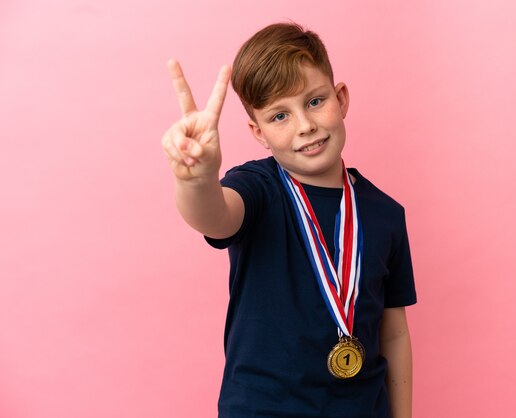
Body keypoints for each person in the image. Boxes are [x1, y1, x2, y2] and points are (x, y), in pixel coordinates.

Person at [161, 22, 416, 418]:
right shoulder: (257, 189)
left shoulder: (386, 213)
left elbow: (395, 333)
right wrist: (195, 179)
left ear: (341, 97)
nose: (305, 125)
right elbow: (214, 216)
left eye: (314, 102)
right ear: (258, 132)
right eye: (279, 116)